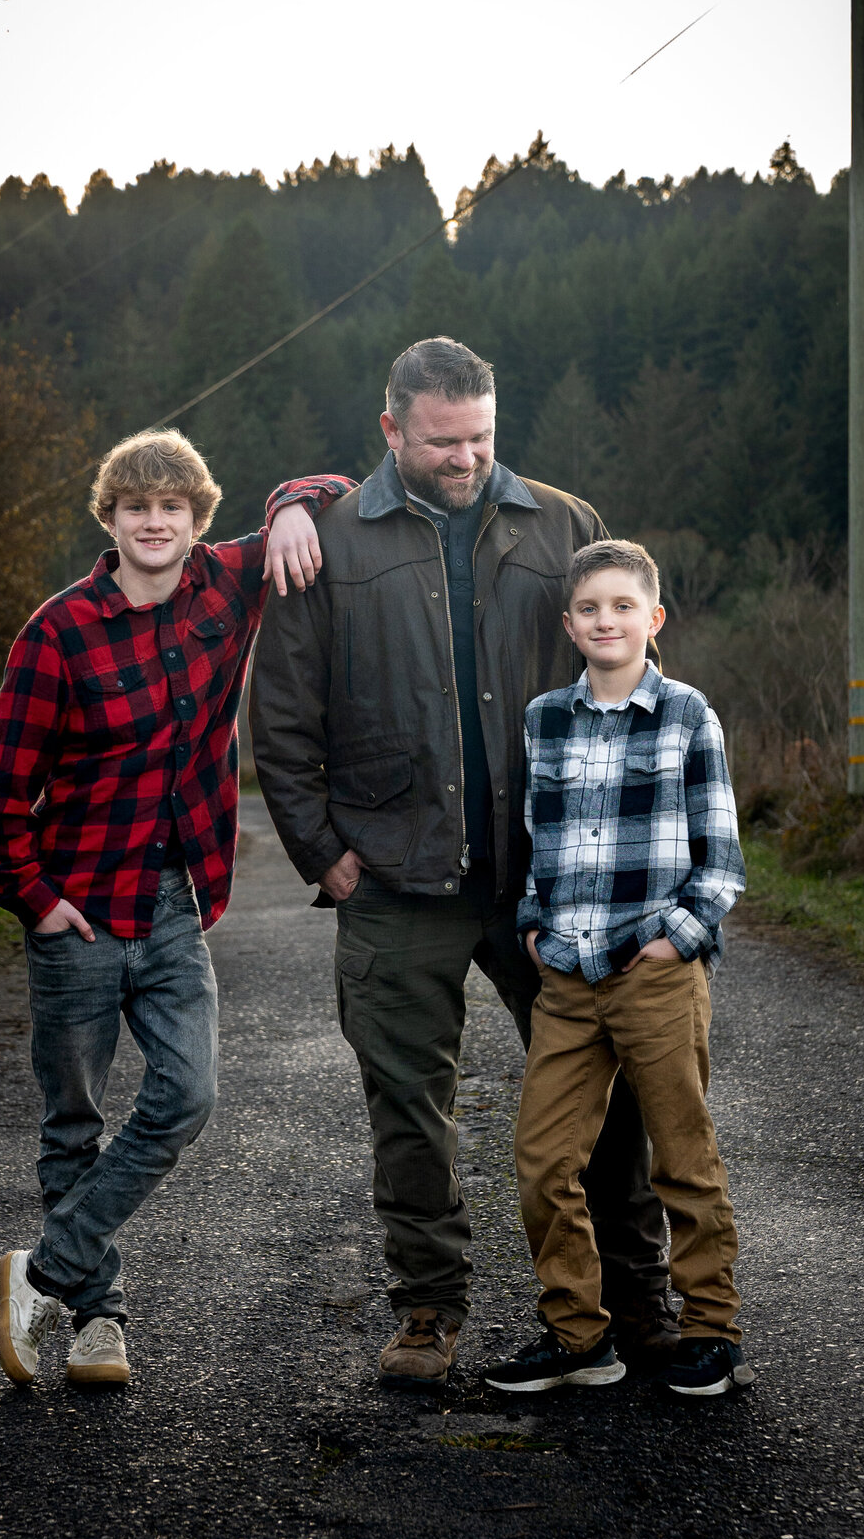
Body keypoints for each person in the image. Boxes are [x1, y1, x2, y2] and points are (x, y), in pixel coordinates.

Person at [250, 337, 675, 1390]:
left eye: (482, 436)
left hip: (551, 883)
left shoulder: (566, 525)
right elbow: (283, 717)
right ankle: (429, 1311)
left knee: (609, 1098)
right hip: (394, 876)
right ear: (391, 429)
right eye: (443, 441)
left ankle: (637, 1304)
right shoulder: (332, 542)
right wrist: (325, 855)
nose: (467, 458)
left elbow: (630, 675)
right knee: (409, 1109)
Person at [0, 428, 353, 1386]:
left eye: (173, 508)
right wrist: (37, 900)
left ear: (197, 521)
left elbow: (334, 483)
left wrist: (294, 505)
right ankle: (98, 1323)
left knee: (188, 1095)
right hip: (79, 910)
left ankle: (48, 1272)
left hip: (175, 895)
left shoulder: (226, 587)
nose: (155, 522)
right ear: (110, 518)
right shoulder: (57, 632)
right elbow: (1, 794)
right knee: (74, 1122)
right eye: (137, 507)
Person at [483, 538, 753, 1398]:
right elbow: (536, 844)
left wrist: (677, 936)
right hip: (565, 974)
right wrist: (532, 924)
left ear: (653, 620)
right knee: (542, 1157)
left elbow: (721, 862)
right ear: (570, 625)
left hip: (655, 974)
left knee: (682, 1155)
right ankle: (577, 1337)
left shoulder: (685, 715)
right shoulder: (544, 719)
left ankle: (710, 1331)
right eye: (591, 609)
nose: (607, 621)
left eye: (623, 607)